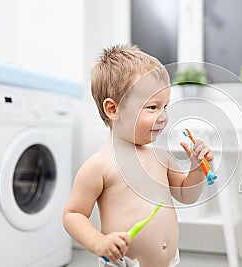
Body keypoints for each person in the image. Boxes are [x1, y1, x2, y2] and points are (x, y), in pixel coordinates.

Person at [63, 44, 214, 267]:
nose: (163, 116)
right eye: (152, 107)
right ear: (113, 110)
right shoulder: (99, 166)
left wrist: (196, 167)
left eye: (165, 106)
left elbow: (186, 196)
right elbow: (73, 215)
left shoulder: (162, 157)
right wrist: (99, 243)